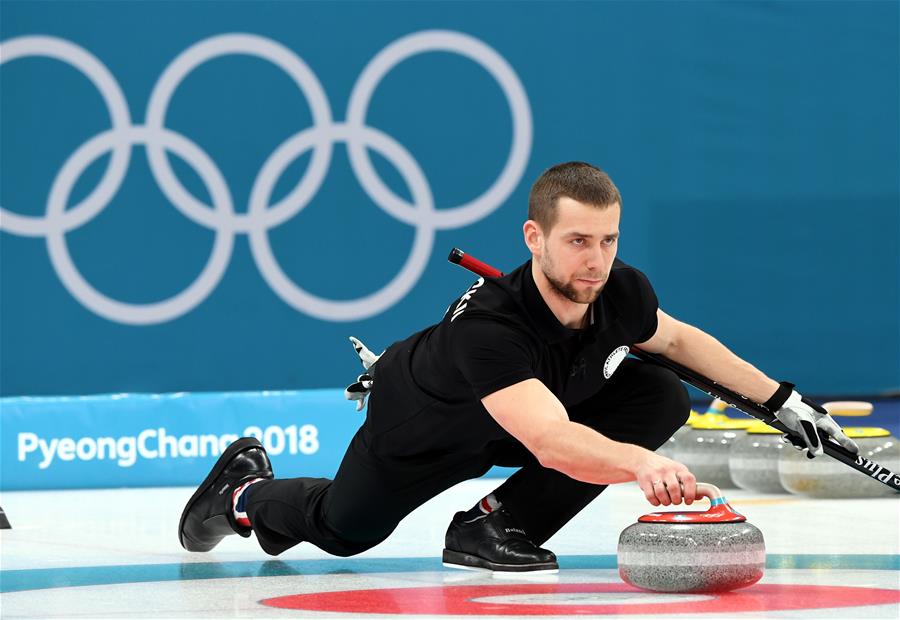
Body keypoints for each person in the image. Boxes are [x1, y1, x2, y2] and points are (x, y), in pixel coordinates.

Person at [178, 162, 858, 573]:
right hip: (427, 428)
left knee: (658, 392)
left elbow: (677, 343)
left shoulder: (620, 288)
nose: (597, 260)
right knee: (343, 530)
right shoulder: (489, 328)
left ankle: (496, 524)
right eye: (578, 241)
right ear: (534, 238)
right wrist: (641, 464)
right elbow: (552, 442)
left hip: (530, 413)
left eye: (609, 240)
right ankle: (241, 493)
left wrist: (785, 402)